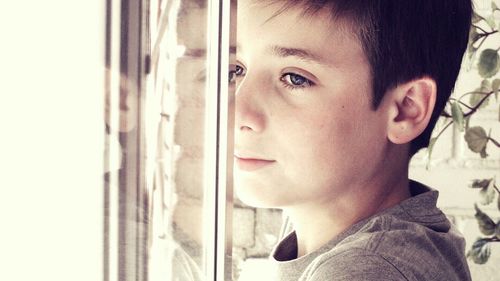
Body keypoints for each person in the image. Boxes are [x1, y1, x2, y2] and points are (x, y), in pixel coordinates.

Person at [232, 0, 473, 280]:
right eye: (236, 70)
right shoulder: (336, 234)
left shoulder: (365, 269)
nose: (237, 111)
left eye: (295, 78)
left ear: (406, 110)